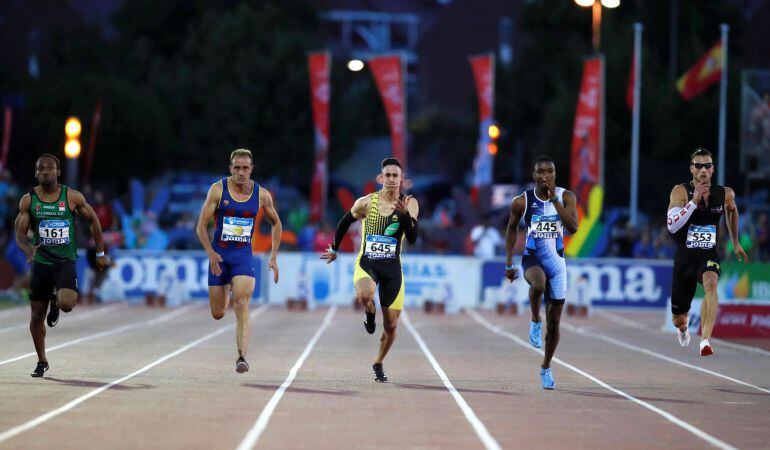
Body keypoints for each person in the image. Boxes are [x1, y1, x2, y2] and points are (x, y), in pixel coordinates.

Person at [321, 158, 419, 382]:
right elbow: (345, 221)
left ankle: (378, 362)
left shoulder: (410, 204)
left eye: (396, 176)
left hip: (392, 269)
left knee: (392, 326)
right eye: (388, 175)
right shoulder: (367, 202)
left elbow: (412, 239)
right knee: (365, 294)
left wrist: (404, 216)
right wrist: (334, 248)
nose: (392, 180)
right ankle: (369, 311)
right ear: (381, 178)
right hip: (368, 262)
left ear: (402, 179)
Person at [14, 154, 108, 377]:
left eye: (50, 168)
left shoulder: (72, 197)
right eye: (41, 169)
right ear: (36, 173)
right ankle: (41, 361)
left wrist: (100, 252)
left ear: (58, 172)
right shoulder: (29, 201)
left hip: (65, 261)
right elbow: (20, 232)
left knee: (67, 303)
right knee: (36, 317)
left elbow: (94, 220)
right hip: (41, 262)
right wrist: (27, 248)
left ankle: (56, 304)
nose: (45, 171)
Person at [196, 149, 281, 373]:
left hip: (243, 255)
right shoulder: (217, 190)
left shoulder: (262, 195)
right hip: (219, 256)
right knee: (218, 312)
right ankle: (224, 288)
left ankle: (242, 357)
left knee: (242, 303)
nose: (241, 172)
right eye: (237, 168)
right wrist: (210, 253)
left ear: (251, 169)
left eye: (245, 168)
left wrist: (273, 256)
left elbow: (277, 223)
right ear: (230, 168)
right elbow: (201, 226)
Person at [504, 155, 578, 389]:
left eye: (550, 171)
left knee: (555, 325)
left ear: (555, 174)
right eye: (540, 172)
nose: (545, 176)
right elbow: (511, 229)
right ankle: (535, 319)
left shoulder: (566, 197)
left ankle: (546, 366)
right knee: (538, 284)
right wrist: (508, 264)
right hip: (532, 258)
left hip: (558, 264)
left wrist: (555, 200)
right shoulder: (522, 201)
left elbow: (573, 228)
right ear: (533, 175)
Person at [666, 148, 747, 356]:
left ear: (713, 169)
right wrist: (693, 203)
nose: (703, 170)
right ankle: (683, 328)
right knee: (678, 318)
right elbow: (672, 226)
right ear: (692, 169)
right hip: (685, 256)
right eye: (699, 166)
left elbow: (732, 210)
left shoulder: (724, 193)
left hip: (708, 254)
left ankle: (705, 340)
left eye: (707, 165)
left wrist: (736, 242)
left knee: (711, 285)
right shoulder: (680, 192)